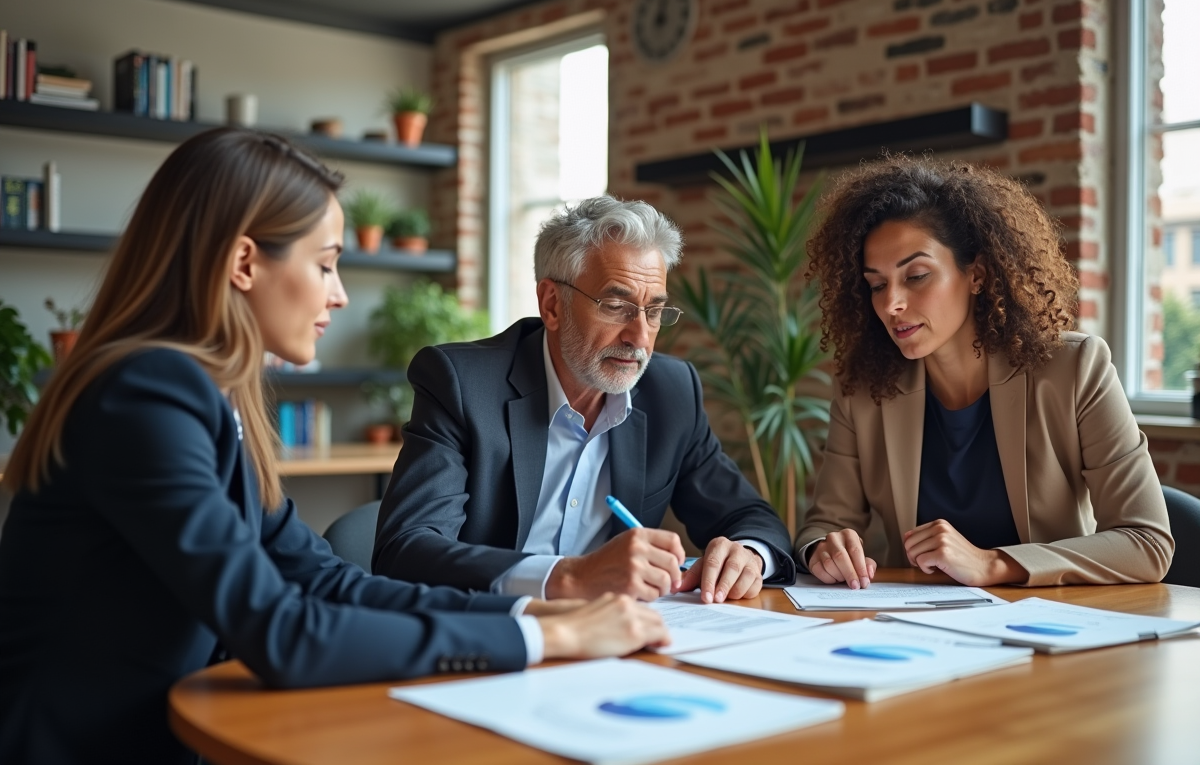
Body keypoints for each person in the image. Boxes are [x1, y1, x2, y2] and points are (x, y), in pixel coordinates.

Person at [0, 129, 667, 765]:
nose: (340, 294)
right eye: (325, 264)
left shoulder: (207, 397)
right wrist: (547, 635)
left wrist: (530, 610)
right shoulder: (147, 395)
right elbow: (281, 631)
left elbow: (326, 581)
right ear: (244, 263)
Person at [373, 196, 796, 604]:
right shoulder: (462, 384)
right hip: (497, 629)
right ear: (552, 305)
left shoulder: (671, 392)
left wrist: (748, 553)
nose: (639, 337)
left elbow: (752, 518)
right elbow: (405, 549)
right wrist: (568, 577)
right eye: (615, 305)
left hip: (623, 634)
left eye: (654, 312)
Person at [795, 157, 1174, 589]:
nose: (891, 303)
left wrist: (992, 564)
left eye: (916, 276)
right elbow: (824, 524)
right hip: (917, 621)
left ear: (976, 274)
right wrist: (824, 549)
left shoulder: (1075, 369)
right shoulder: (864, 390)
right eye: (877, 284)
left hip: (1051, 619)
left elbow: (1146, 541)